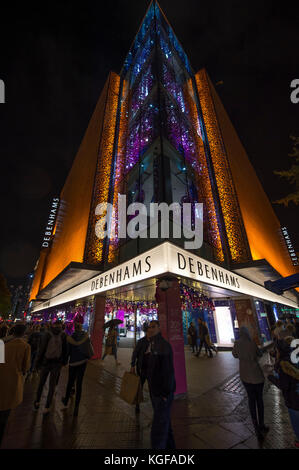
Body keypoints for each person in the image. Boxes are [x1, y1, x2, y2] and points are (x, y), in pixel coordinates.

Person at [232, 326, 268, 441]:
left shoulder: (237, 343)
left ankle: (256, 427)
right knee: (259, 400)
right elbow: (259, 354)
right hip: (257, 375)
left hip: (245, 376)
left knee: (251, 400)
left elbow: (234, 354)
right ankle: (262, 424)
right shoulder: (252, 343)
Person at [146, 320, 176, 449]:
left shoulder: (162, 345)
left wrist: (165, 392)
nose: (151, 329)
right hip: (155, 391)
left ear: (159, 328)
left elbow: (167, 371)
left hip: (162, 394)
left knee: (158, 429)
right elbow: (150, 368)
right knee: (165, 423)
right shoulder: (152, 344)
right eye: (149, 327)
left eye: (153, 327)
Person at [0, 324, 31, 446]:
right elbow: (26, 367)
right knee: (3, 417)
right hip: (11, 383)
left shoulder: (2, 343)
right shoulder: (25, 346)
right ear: (23, 333)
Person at [268, 337, 299, 448]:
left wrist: (271, 377)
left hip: (294, 402)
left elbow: (283, 385)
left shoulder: (284, 366)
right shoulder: (294, 358)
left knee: (297, 426)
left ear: (279, 351)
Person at [34, 321, 67, 414]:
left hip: (46, 362)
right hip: (57, 363)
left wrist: (38, 362)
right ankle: (47, 406)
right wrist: (64, 362)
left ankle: (37, 402)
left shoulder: (47, 334)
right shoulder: (63, 335)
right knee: (52, 385)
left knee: (41, 383)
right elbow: (65, 350)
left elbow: (42, 349)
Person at [61, 321, 94, 417]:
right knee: (79, 384)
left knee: (70, 382)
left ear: (74, 328)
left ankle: (66, 402)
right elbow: (89, 348)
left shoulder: (71, 338)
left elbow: (67, 351)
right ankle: (76, 407)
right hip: (83, 362)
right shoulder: (85, 337)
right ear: (81, 327)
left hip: (73, 362)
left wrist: (65, 361)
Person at [130, 326, 151, 413]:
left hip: (151, 368)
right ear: (146, 332)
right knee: (140, 386)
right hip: (142, 368)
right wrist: (133, 365)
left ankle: (154, 404)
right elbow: (135, 353)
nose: (150, 333)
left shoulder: (155, 342)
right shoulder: (141, 342)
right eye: (149, 331)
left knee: (153, 387)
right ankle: (137, 404)